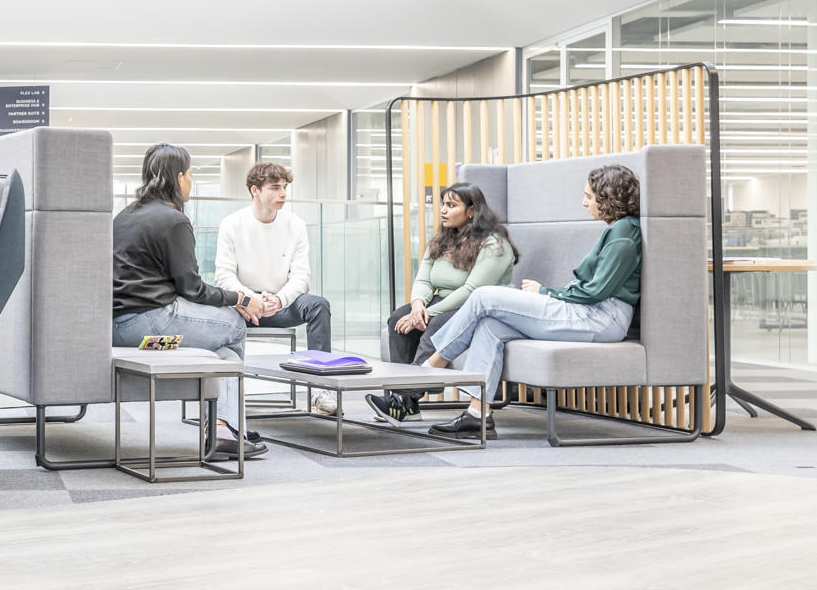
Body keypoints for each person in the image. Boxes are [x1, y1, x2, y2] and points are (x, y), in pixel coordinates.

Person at [417, 165, 644, 439]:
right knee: (490, 324)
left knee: (483, 296)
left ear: (607, 197)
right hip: (590, 311)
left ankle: (429, 369)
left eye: (589, 196)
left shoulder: (623, 234)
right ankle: (478, 416)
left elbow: (596, 291)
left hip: (601, 317)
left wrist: (546, 292)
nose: (584, 202)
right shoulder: (619, 229)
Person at [110, 144, 267, 461]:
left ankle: (225, 429)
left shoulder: (124, 216)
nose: (191, 183)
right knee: (235, 325)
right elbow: (192, 288)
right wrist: (241, 298)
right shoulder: (173, 221)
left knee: (222, 353)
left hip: (117, 327)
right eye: (191, 175)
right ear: (178, 177)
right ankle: (225, 428)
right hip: (151, 324)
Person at [359, 183, 517, 422]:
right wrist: (417, 306)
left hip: (477, 308)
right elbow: (423, 278)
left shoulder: (495, 244)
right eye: (442, 204)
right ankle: (407, 405)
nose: (443, 210)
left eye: (451, 205)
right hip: (441, 301)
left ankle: (404, 399)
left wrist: (429, 313)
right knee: (396, 320)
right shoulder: (442, 240)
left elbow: (471, 291)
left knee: (436, 325)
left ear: (472, 211)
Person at [212, 162, 332, 349]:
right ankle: (224, 374)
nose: (283, 193)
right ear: (255, 190)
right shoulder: (231, 224)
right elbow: (223, 276)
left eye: (284, 187)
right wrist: (251, 299)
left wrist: (278, 300)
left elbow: (301, 277)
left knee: (319, 306)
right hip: (243, 306)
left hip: (282, 303)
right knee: (216, 309)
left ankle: (319, 373)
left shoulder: (296, 225)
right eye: (275, 188)